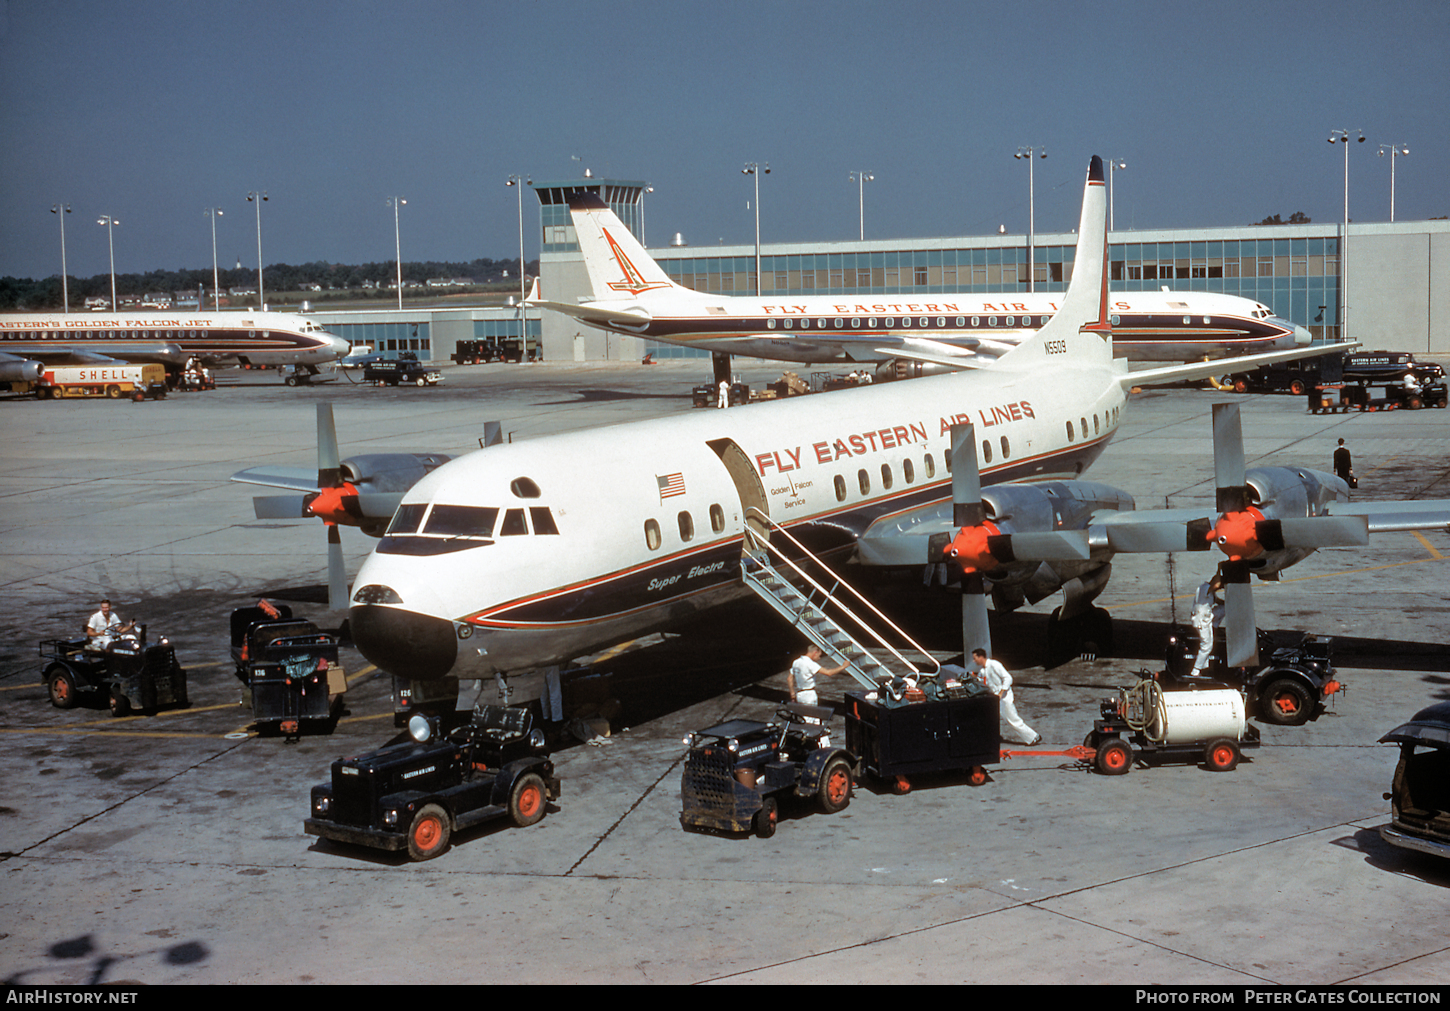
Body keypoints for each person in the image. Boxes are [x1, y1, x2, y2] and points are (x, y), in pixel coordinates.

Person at [970, 647, 1041, 746]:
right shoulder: (982, 671)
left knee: (1012, 719)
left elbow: (1008, 678)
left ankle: (1033, 737)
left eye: (975, 658)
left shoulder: (994, 665)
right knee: (990, 718)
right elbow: (983, 682)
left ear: (981, 657)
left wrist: (1000, 693)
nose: (974, 661)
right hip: (995, 698)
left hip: (1004, 697)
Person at [1190, 573, 1225, 676]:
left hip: (1207, 618)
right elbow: (1217, 584)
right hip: (1201, 621)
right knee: (1207, 646)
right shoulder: (1205, 589)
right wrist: (1219, 570)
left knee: (1224, 609)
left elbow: (1218, 601)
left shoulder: (1210, 591)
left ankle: (1205, 666)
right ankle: (1196, 670)